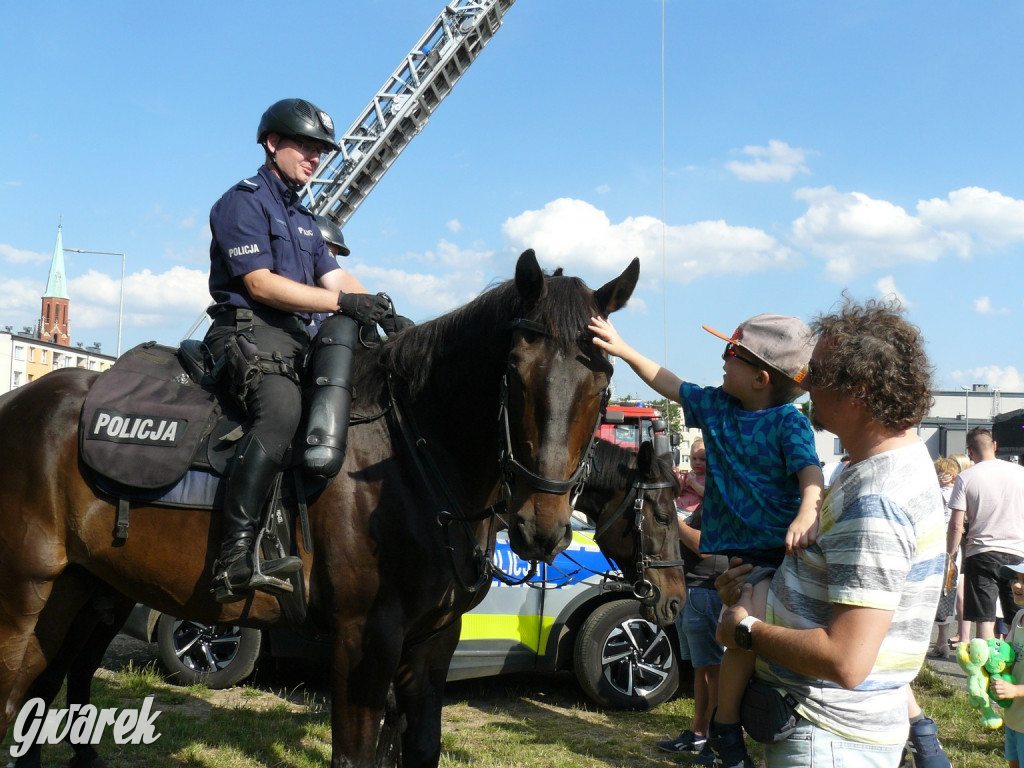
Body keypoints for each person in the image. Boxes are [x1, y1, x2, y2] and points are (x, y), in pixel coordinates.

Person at [714, 297, 947, 767]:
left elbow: (846, 659)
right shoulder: (877, 466)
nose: (803, 384)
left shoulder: (877, 499)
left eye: (814, 374)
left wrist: (745, 630)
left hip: (827, 740)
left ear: (858, 390)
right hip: (830, 733)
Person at [590, 312, 824, 768]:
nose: (721, 358)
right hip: (743, 555)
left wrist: (808, 509)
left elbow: (809, 472)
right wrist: (622, 348)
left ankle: (912, 723)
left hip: (785, 550)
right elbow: (669, 382)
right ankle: (727, 729)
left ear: (759, 378)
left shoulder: (789, 423)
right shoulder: (717, 406)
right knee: (735, 633)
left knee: (743, 632)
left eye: (731, 352)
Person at [204, 98, 393, 603]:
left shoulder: (306, 219)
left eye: (320, 150)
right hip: (245, 331)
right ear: (272, 143)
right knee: (282, 412)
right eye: (305, 146)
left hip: (292, 339)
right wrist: (344, 301)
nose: (314, 158)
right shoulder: (242, 202)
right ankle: (234, 556)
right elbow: (262, 285)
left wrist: (389, 315)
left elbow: (336, 277)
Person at [657, 441, 723, 766]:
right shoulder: (695, 496)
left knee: (714, 671)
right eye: (695, 458)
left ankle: (715, 739)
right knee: (701, 670)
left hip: (706, 590)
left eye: (705, 460)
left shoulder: (719, 498)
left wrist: (673, 521)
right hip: (691, 590)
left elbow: (707, 548)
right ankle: (698, 734)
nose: (699, 465)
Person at [947, 427, 1024, 641]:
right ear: (995, 446)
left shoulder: (966, 477)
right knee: (1018, 615)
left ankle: (985, 671)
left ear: (969, 451)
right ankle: (1015, 669)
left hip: (980, 553)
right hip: (1018, 553)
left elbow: (955, 524)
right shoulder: (1020, 473)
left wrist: (950, 554)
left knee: (984, 618)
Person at [992, 561, 1024, 768]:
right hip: (1014, 717)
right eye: (1017, 579)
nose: (1017, 585)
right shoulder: (1020, 617)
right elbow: (1008, 655)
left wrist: (1015, 690)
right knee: (1013, 762)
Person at [930, 457, 961, 659]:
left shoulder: (934, 494)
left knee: (932, 593)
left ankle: (937, 642)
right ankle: (943, 640)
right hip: (955, 549)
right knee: (947, 593)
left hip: (935, 547)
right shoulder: (959, 493)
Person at [674, 438, 706, 522]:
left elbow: (706, 494)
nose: (697, 462)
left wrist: (693, 483)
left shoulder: (707, 478)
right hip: (677, 507)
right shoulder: (689, 475)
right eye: (694, 458)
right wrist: (680, 484)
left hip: (690, 513)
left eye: (702, 459)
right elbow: (678, 494)